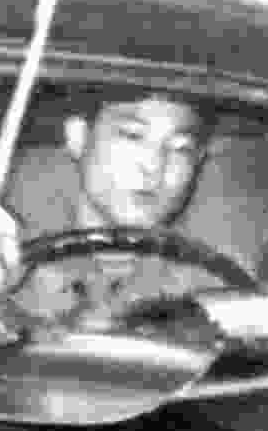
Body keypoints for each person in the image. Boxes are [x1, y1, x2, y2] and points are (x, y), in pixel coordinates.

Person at [11, 89, 223, 332]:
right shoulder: (1, 249)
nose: (153, 166)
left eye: (180, 148)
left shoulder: (210, 285)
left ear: (199, 160)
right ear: (79, 137)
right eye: (132, 136)